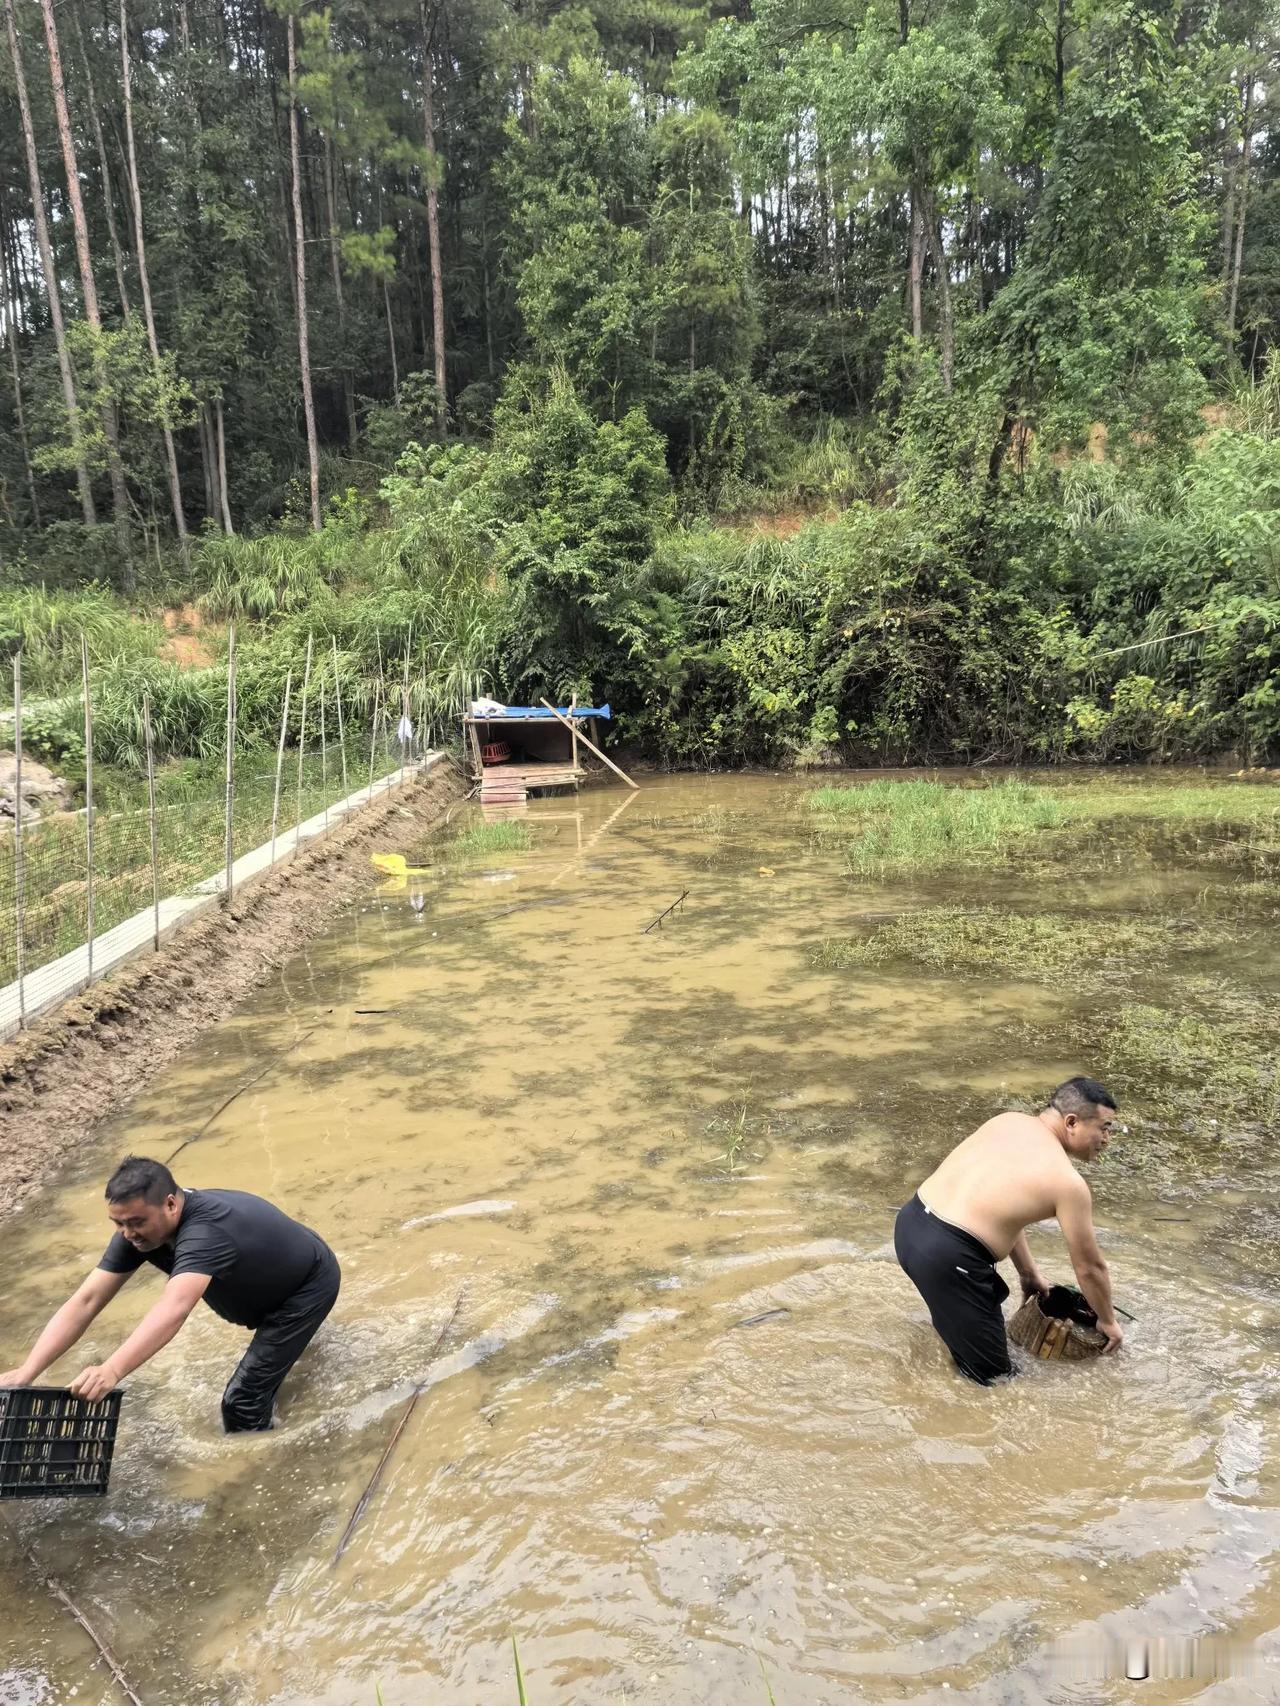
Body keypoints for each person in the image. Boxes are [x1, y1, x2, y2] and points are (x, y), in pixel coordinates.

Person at [0, 1157, 340, 1432]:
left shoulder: (206, 1233)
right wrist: (28, 1371)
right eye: (118, 1223)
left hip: (306, 1287)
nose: (127, 1234)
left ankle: (257, 1467)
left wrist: (112, 1370)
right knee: (266, 1362)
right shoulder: (140, 1232)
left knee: (241, 1402)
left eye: (136, 1222)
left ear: (171, 1204)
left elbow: (175, 1307)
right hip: (268, 1277)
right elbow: (87, 1300)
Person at [894, 1077, 1122, 1385]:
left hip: (910, 1225)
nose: (1107, 1138)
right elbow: (1090, 1268)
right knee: (997, 1382)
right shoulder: (1068, 1183)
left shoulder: (1007, 1121)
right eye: (1105, 1127)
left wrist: (1028, 1273)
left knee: (970, 1340)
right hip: (949, 1259)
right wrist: (1108, 1322)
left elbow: (1004, 1209)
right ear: (1072, 1122)